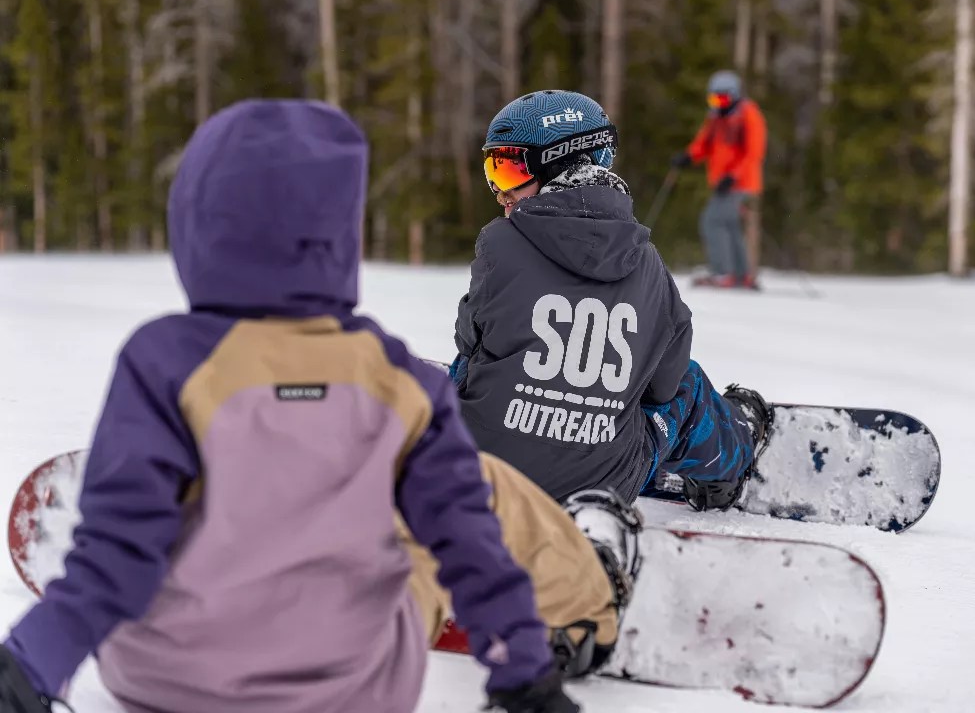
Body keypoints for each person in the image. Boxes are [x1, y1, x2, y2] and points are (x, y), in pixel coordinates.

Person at [0, 100, 631, 713]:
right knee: (472, 491)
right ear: (339, 231)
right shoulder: (398, 379)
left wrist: (28, 663)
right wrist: (523, 677)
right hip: (349, 689)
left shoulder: (163, 360)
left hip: (158, 679)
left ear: (194, 220)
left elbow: (117, 551)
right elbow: (470, 547)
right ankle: (589, 601)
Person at [451, 89, 771, 517]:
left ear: (559, 161)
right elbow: (665, 385)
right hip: (603, 483)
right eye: (493, 170)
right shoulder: (650, 265)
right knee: (687, 388)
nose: (499, 192)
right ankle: (730, 458)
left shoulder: (496, 245)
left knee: (466, 368)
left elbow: (470, 343)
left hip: (482, 471)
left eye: (508, 170)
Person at [671, 70, 768, 290]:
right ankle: (742, 275)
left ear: (733, 95)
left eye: (722, 98)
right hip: (722, 183)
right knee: (729, 225)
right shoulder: (716, 117)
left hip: (741, 183)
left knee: (712, 221)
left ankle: (723, 273)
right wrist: (689, 156)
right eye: (713, 98)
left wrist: (733, 176)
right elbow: (704, 143)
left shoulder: (749, 115)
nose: (717, 103)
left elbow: (754, 153)